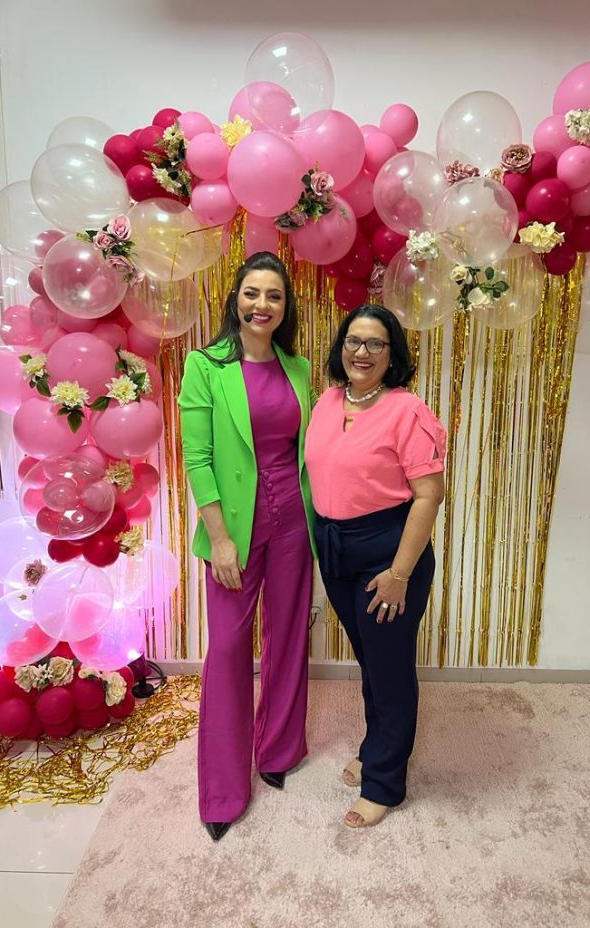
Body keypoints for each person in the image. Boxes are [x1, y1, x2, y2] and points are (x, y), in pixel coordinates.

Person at [177, 251, 315, 842]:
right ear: (236, 299)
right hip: (233, 529)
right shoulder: (206, 365)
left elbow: (309, 447)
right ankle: (223, 791)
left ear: (286, 306)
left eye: (274, 295)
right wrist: (220, 539)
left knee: (288, 636)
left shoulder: (299, 368)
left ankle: (279, 750)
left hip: (294, 524)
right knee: (230, 649)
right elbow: (198, 458)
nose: (262, 305)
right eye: (252, 293)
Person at [305, 304, 446, 829]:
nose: (361, 352)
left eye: (375, 343)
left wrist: (400, 574)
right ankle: (374, 747)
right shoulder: (327, 401)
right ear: (341, 346)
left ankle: (384, 782)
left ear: (393, 354)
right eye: (353, 341)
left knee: (389, 670)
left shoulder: (407, 410)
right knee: (371, 661)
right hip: (336, 548)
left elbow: (428, 496)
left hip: (388, 553)